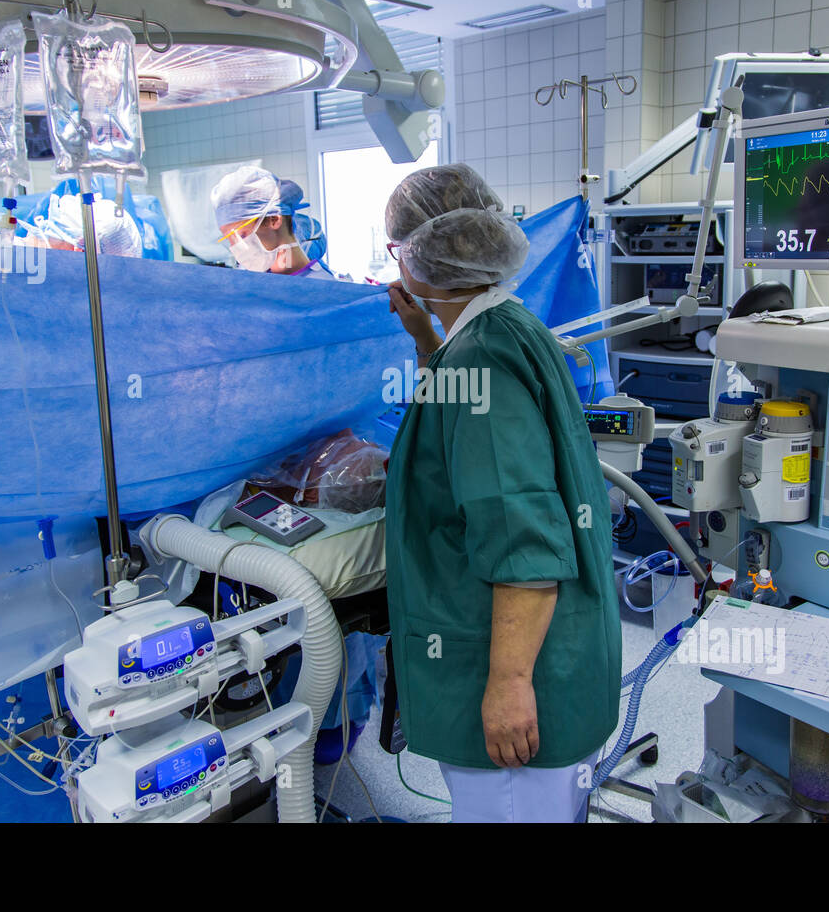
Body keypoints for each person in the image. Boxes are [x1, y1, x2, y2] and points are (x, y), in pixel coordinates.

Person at [383, 163, 621, 823]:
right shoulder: (505, 326)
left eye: (397, 252)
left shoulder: (481, 358)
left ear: (422, 255)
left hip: (519, 673)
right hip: (553, 650)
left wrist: (509, 685)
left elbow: (522, 539)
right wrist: (428, 341)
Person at [211, 166, 337, 280]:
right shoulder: (248, 284)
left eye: (241, 236)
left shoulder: (324, 287)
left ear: (274, 219)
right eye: (229, 239)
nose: (236, 248)